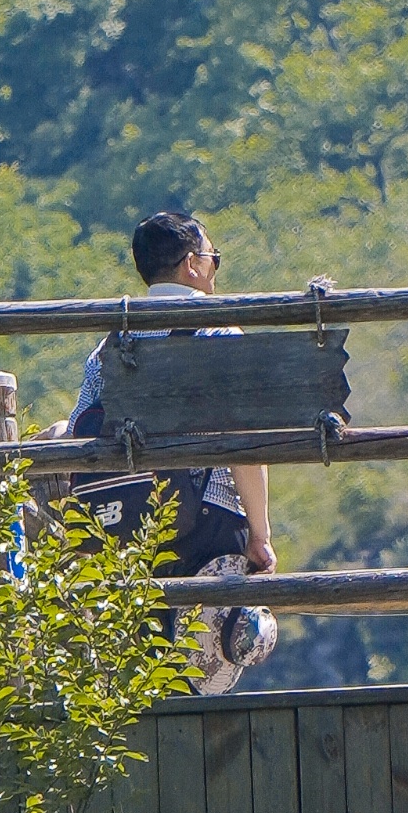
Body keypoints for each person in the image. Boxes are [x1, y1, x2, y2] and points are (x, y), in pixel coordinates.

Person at [59, 208, 278, 690]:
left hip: (130, 522)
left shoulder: (113, 343)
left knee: (151, 664)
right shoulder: (217, 332)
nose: (215, 269)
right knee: (212, 650)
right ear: (190, 265)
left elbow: (79, 429)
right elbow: (242, 443)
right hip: (208, 515)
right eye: (213, 257)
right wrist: (260, 533)